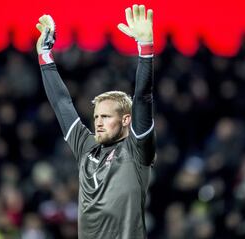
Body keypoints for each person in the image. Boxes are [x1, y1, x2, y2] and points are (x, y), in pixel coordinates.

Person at [35, 4, 155, 239]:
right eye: (97, 116)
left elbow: (143, 97)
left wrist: (145, 50)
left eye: (106, 117)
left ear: (126, 120)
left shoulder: (138, 149)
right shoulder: (86, 145)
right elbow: (62, 103)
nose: (98, 122)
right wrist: (45, 55)